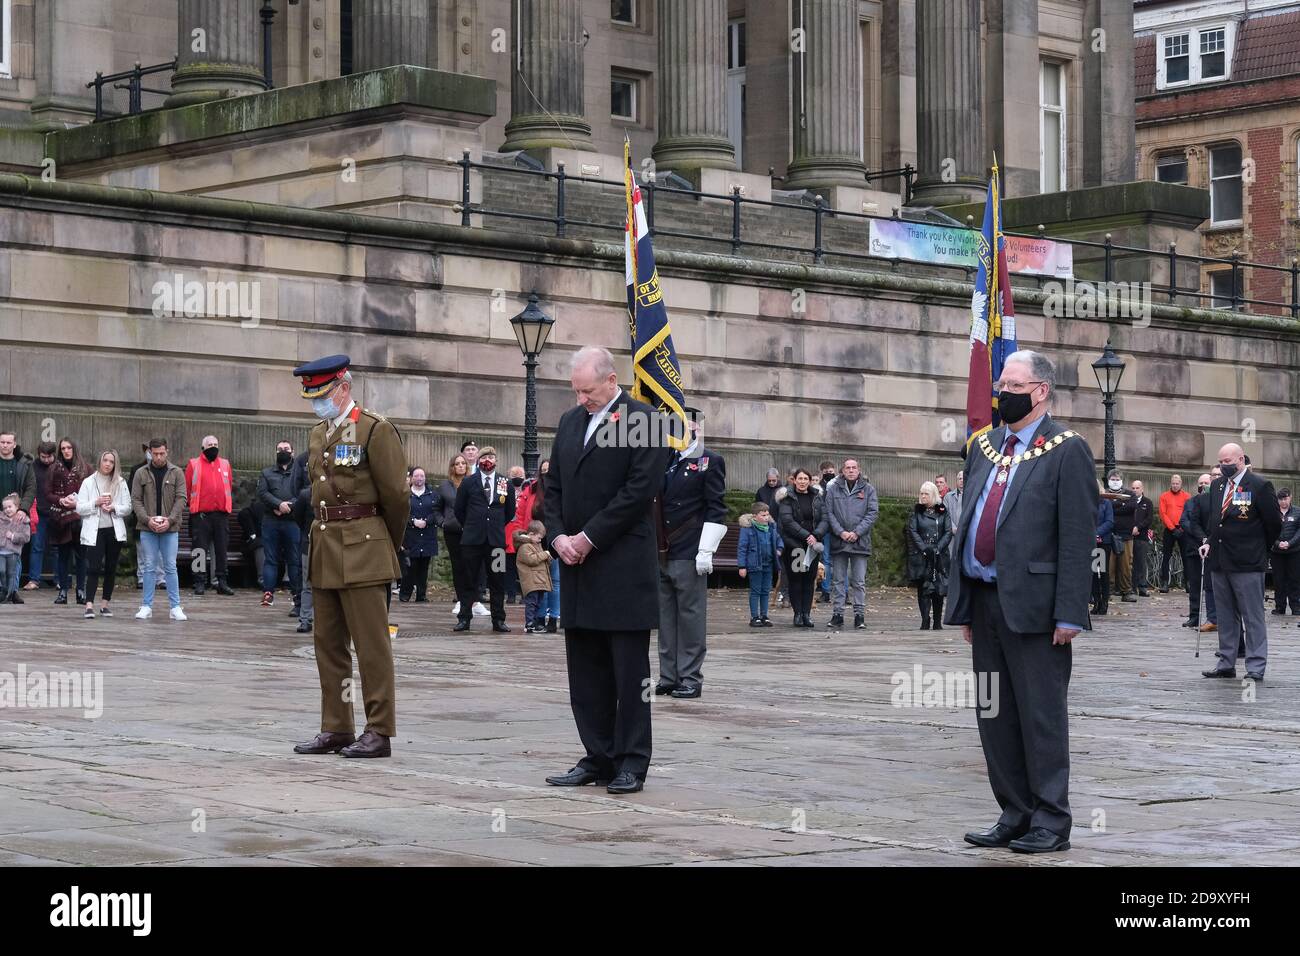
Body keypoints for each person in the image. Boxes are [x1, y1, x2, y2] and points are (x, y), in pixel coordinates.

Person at [945, 350, 1096, 854]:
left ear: (1040, 392)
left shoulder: (1066, 449)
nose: (1000, 393)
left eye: (1012, 384)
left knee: (1040, 715)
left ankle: (1051, 819)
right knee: (994, 714)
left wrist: (1071, 612)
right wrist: (962, 602)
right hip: (985, 599)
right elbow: (969, 522)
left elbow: (1077, 537)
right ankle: (1014, 810)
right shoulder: (985, 445)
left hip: (1037, 606)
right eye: (1000, 383)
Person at [541, 346, 672, 795]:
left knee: (628, 671)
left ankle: (632, 760)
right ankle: (597, 754)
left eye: (589, 391)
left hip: (620, 564)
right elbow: (551, 484)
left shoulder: (643, 422)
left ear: (612, 381)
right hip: (576, 565)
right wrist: (557, 538)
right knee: (586, 668)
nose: (582, 399)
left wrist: (588, 537)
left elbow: (638, 492)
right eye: (577, 391)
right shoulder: (570, 422)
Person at [291, 355, 409, 759]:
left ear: (343, 387)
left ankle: (379, 730)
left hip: (364, 546)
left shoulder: (376, 431)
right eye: (312, 396)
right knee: (328, 644)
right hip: (325, 546)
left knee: (371, 645)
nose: (317, 402)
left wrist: (384, 545)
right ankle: (337, 726)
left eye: (322, 394)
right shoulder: (318, 434)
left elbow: (396, 497)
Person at [654, 407, 727, 699]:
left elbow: (716, 507)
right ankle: (668, 675)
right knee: (665, 617)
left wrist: (706, 550)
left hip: (689, 548)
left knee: (690, 617)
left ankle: (690, 677)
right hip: (661, 549)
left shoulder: (710, 461)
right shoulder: (664, 460)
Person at [1199, 443, 1281, 681]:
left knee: (1252, 615)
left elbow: (1273, 523)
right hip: (1220, 561)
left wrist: (1259, 549)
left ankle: (1255, 665)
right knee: (1225, 615)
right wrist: (1210, 542)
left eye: (1227, 462)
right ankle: (1227, 661)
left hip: (1247, 562)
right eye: (1220, 462)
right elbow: (1217, 521)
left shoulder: (1259, 485)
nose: (1223, 466)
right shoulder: (1217, 486)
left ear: (1240, 459)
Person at [452, 446, 516, 633]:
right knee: (468, 580)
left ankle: (498, 619)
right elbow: (459, 510)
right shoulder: (469, 482)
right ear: (479, 461)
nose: (488, 460)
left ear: (496, 461)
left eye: (491, 457)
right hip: (472, 540)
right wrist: (472, 525)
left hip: (496, 541)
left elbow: (509, 511)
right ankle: (464, 617)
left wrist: (494, 526)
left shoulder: (505, 483)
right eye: (484, 457)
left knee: (498, 580)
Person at [130, 439, 188, 621]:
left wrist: (169, 521)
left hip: (170, 528)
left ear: (167, 451)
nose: (158, 457)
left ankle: (175, 606)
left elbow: (181, 499)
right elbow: (136, 500)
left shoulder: (177, 472)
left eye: (162, 453)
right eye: (155, 453)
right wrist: (147, 520)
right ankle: (146, 605)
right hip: (148, 527)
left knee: (170, 566)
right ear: (149, 452)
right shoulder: (141, 473)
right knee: (149, 566)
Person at [75, 450, 133, 619]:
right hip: (95, 529)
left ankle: (105, 604)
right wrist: (96, 502)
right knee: (93, 567)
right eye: (105, 460)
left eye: (111, 461)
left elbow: (128, 507)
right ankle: (89, 605)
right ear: (100, 461)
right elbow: (80, 507)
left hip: (113, 530)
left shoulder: (120, 482)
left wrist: (114, 507)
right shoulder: (88, 482)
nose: (107, 464)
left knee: (111, 568)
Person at [824, 458, 879, 629]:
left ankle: (859, 616)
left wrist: (856, 532)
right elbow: (829, 513)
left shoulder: (868, 489)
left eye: (854, 468)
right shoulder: (833, 489)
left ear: (859, 470)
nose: (851, 470)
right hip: (839, 541)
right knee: (838, 580)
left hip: (860, 542)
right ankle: (838, 614)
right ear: (842, 470)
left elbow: (872, 513)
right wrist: (841, 532)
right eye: (847, 468)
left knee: (859, 581)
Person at [436, 454, 486, 619]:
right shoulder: (445, 486)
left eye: (463, 463)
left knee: (474, 566)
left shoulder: (473, 483)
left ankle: (475, 601)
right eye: (457, 464)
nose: (460, 466)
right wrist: (442, 522)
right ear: (452, 467)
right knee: (458, 566)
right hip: (453, 531)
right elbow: (436, 508)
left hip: (471, 530)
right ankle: (461, 599)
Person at [775, 468, 827, 628]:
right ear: (794, 480)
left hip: (812, 546)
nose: (803, 481)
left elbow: (825, 518)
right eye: (800, 478)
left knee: (809, 579)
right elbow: (787, 522)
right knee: (796, 580)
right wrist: (806, 535)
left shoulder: (817, 497)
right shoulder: (787, 498)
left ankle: (806, 614)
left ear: (810, 481)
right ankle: (797, 614)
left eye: (806, 478)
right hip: (795, 545)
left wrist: (816, 534)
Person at [185, 436, 235, 596]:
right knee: (199, 550)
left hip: (220, 514)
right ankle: (198, 582)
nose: (213, 447)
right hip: (201, 515)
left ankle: (221, 582)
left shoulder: (225, 464)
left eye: (215, 445)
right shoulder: (193, 464)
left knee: (221, 550)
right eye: (209, 445)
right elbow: (187, 488)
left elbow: (229, 485)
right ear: (202, 447)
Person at [256, 439, 302, 610]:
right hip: (271, 521)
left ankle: (297, 594)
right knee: (271, 559)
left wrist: (289, 505)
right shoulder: (266, 472)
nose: (283, 451)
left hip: (292, 522)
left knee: (294, 560)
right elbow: (262, 493)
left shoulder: (300, 472)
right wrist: (278, 505)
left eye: (286, 449)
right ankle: (268, 592)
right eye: (280, 449)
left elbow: (305, 492)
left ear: (293, 452)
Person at [47, 437, 88, 606]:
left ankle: (80, 591)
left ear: (74, 448)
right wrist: (60, 500)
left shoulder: (86, 468)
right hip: (61, 519)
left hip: (80, 518)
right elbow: (47, 493)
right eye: (63, 448)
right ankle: (63, 591)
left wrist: (78, 501)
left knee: (81, 557)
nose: (66, 451)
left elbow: (92, 491)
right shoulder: (53, 469)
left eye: (69, 447)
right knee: (63, 556)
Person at [906, 481, 950, 629]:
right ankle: (925, 619)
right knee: (923, 589)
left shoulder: (943, 511)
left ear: (933, 495)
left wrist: (938, 547)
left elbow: (948, 531)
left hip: (939, 555)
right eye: (921, 493)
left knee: (938, 589)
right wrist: (924, 548)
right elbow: (912, 531)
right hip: (921, 555)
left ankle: (937, 621)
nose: (923, 496)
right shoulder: (916, 512)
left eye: (926, 494)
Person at [1181, 473, 1217, 631]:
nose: (1203, 485)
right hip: (1193, 547)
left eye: (1206, 482)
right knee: (1195, 584)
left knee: (1211, 584)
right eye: (1200, 483)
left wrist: (1208, 539)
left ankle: (1213, 617)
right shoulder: (1190, 501)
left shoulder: (1216, 501)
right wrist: (1199, 535)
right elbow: (1185, 521)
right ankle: (1194, 616)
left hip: (1211, 547)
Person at [737, 501, 781, 627]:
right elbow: (742, 548)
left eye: (767, 515)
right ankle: (754, 616)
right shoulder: (747, 529)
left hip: (768, 563)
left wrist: (779, 549)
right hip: (754, 564)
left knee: (766, 590)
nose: (766, 517)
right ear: (755, 516)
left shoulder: (771, 528)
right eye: (763, 515)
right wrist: (742, 566)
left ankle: (764, 616)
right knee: (755, 590)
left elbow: (779, 540)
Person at [400, 467, 438, 602]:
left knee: (424, 568)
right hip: (411, 536)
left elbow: (437, 511)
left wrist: (427, 521)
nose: (419, 478)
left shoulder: (433, 494)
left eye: (422, 476)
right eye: (416, 476)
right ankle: (405, 594)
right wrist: (412, 521)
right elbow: (401, 512)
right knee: (410, 566)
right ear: (411, 478)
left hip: (427, 535)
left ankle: (421, 595)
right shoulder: (405, 494)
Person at [514, 519, 553, 632]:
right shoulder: (524, 546)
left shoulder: (536, 544)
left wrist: (547, 558)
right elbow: (532, 560)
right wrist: (545, 554)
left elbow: (541, 560)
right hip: (531, 581)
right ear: (531, 534)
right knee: (531, 603)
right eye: (539, 538)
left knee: (537, 603)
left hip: (539, 580)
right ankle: (529, 623)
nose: (540, 541)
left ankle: (534, 622)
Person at [125, 443, 151, 590]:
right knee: (141, 549)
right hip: (141, 516)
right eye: (147, 449)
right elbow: (132, 494)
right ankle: (141, 577)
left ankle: (160, 579)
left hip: (160, 516)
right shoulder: (137, 470)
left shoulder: (168, 470)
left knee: (159, 551)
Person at [1157, 475, 1190, 592]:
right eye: (1173, 483)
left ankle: (1188, 583)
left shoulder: (1187, 496)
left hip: (1183, 529)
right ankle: (1165, 583)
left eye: (1177, 483)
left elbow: (1188, 513)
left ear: (1181, 484)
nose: (1175, 486)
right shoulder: (1164, 496)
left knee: (1186, 557)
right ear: (1170, 484)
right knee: (1166, 556)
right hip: (1169, 530)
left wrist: (1181, 528)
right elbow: (1163, 514)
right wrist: (1172, 528)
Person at [1271, 488, 1300, 616]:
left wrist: (1290, 543)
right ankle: (1280, 607)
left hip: (1294, 552)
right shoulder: (1273, 513)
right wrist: (1278, 544)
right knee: (1278, 580)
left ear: (1290, 497)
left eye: (1285, 499)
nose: (1283, 502)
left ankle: (1296, 606)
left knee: (1294, 579)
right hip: (1277, 553)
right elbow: (1269, 531)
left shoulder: (1297, 512)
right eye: (1281, 499)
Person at [1107, 470, 1134, 602]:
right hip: (1108, 534)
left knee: (1126, 565)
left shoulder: (1130, 494)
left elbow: (1131, 507)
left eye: (1117, 479)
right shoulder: (1104, 494)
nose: (1115, 481)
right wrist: (1120, 503)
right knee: (1108, 564)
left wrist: (1113, 506)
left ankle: (1126, 591)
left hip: (1126, 535)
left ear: (1122, 481)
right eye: (1113, 479)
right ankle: (1108, 591)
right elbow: (1104, 508)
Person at [0, 493, 31, 605]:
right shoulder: (1, 519)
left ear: (17, 507)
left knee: (12, 573)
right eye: (5, 508)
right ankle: (3, 590)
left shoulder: (23, 521)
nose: (7, 510)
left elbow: (26, 537)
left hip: (13, 552)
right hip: (1, 552)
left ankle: (9, 594)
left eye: (10, 507)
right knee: (1, 571)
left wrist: (13, 536)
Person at [503, 465, 527, 604]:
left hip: (522, 532)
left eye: (520, 476)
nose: (517, 479)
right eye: (514, 476)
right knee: (508, 566)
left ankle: (525, 595)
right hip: (507, 532)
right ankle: (511, 594)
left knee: (523, 566)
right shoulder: (505, 490)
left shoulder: (527, 490)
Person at [1091, 479, 1114, 616]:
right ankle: (1096, 601)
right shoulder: (1088, 503)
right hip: (1091, 542)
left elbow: (1110, 521)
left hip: (1103, 542)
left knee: (1103, 572)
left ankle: (1104, 602)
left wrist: (1097, 532)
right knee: (1093, 573)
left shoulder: (1106, 503)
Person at [1128, 479, 1154, 597]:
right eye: (1133, 488)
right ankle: (1132, 587)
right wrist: (1130, 528)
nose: (1134, 490)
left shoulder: (1147, 502)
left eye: (1137, 488)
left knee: (1141, 562)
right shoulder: (1128, 501)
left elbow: (1149, 519)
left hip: (1141, 537)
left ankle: (1142, 587)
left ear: (1142, 489)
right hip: (1129, 536)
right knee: (1131, 563)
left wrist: (1138, 527)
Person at [817, 460, 838, 603]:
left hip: (838, 528)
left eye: (831, 470)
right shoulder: (819, 488)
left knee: (841, 560)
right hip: (825, 529)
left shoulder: (838, 485)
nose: (829, 473)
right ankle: (825, 591)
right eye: (826, 471)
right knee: (826, 561)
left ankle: (844, 592)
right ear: (822, 472)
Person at [942, 470, 964, 558]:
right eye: (960, 478)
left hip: (966, 535)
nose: (962, 480)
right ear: (956, 481)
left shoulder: (971, 496)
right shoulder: (948, 497)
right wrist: (954, 529)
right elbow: (944, 515)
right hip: (952, 536)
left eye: (964, 478)